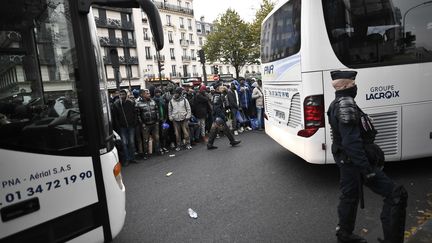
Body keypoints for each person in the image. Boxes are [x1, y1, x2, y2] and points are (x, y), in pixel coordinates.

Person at [327, 70, 407, 243]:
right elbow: (351, 142)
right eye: (354, 84)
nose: (356, 87)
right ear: (347, 85)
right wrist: (366, 169)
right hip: (356, 163)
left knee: (349, 196)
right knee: (396, 195)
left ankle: (344, 234)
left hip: (348, 161)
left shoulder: (337, 103)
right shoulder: (345, 104)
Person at [207, 85, 241, 150]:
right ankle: (232, 141)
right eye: (222, 88)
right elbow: (216, 107)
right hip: (218, 116)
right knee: (224, 129)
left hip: (217, 115)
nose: (223, 89)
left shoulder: (218, 95)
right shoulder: (217, 96)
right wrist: (222, 115)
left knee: (215, 130)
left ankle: (210, 144)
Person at [112, 89, 138, 166]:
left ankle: (132, 158)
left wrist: (134, 122)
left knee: (132, 142)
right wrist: (118, 126)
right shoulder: (116, 104)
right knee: (124, 143)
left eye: (123, 94)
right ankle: (127, 159)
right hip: (122, 127)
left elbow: (135, 113)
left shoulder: (131, 102)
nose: (122, 96)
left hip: (131, 125)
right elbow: (115, 117)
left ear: (126, 95)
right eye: (121, 94)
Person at [136, 89, 160, 159]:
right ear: (142, 94)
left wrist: (157, 121)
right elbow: (138, 115)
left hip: (154, 123)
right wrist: (142, 123)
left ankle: (157, 150)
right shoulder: (138, 103)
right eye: (147, 93)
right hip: (145, 124)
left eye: (149, 93)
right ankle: (146, 153)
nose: (148, 94)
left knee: (157, 138)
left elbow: (157, 111)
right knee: (145, 140)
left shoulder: (153, 101)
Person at [168, 87, 192, 151]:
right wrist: (171, 117)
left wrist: (187, 117)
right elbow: (169, 110)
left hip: (184, 119)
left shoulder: (184, 100)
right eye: (175, 93)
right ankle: (178, 145)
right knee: (177, 134)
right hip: (175, 119)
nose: (175, 94)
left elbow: (188, 109)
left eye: (177, 93)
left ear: (180, 94)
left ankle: (188, 144)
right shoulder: (171, 101)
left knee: (186, 133)